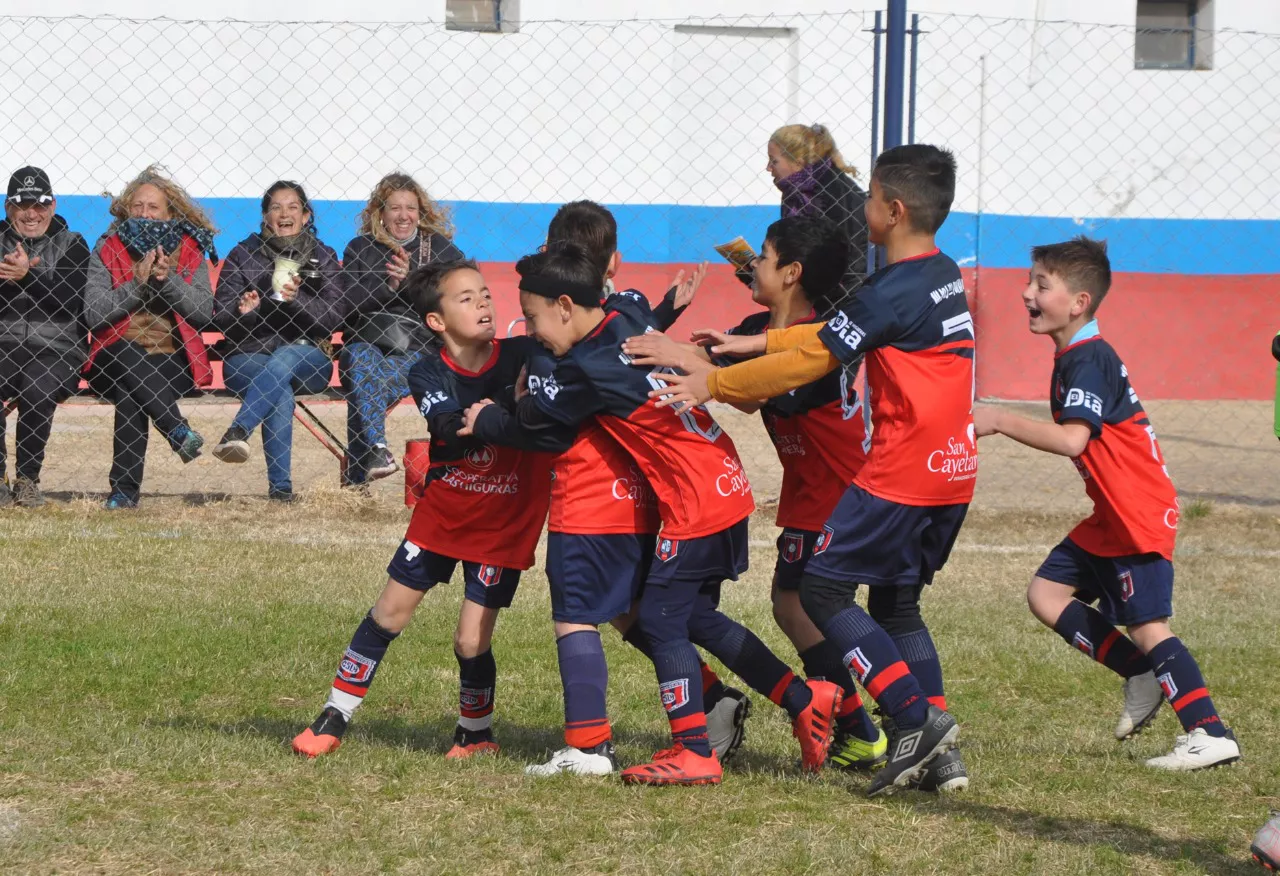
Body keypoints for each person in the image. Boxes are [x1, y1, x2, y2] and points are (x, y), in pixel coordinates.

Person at [625, 144, 971, 796]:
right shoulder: (937, 272)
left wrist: (714, 381)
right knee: (888, 608)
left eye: (867, 196)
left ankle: (902, 722)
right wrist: (740, 345)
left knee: (816, 596)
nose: (858, 205)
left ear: (893, 210)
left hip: (872, 482)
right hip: (940, 471)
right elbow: (807, 338)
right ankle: (931, 750)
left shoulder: (887, 291)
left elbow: (801, 368)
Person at [461, 243, 843, 787]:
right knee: (694, 619)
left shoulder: (585, 367)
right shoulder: (626, 315)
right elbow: (638, 314)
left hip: (695, 502)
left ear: (566, 306)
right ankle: (805, 698)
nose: (533, 330)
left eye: (534, 317)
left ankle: (694, 749)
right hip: (724, 482)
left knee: (661, 621)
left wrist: (488, 419)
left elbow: (542, 427)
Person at [629, 215, 896, 775]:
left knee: (801, 608)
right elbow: (733, 371)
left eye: (766, 258)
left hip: (840, 492)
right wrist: (683, 348)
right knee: (795, 606)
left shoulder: (823, 339)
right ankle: (855, 722)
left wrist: (685, 356)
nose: (752, 266)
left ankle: (864, 725)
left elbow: (761, 393)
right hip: (810, 489)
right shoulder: (758, 323)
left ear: (793, 273)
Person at [973, 236, 1241, 771]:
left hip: (1136, 511)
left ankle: (1208, 731)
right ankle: (1139, 673)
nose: (1026, 293)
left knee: (1148, 625)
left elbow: (1074, 438)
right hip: (1112, 512)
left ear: (1079, 303)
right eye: (1030, 281)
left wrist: (999, 419)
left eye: (1041, 285)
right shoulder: (1076, 355)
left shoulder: (1090, 359)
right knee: (1047, 593)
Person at [512, 201, 749, 777]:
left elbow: (546, 421)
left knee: (580, 611)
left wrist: (504, 410)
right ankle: (725, 699)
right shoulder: (630, 310)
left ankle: (590, 746)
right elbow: (636, 333)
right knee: (637, 613)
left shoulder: (572, 355)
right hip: (654, 499)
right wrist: (670, 314)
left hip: (593, 500)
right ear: (613, 264)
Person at [292, 259, 551, 760]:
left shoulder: (523, 354)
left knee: (469, 641)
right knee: (388, 614)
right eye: (465, 297)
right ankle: (333, 715)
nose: (482, 303)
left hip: (506, 519)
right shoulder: (427, 370)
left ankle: (475, 734)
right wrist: (506, 412)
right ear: (436, 321)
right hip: (445, 511)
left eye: (484, 294)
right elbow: (451, 424)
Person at [84, 165, 217, 510]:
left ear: (170, 213)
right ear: (126, 209)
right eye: (137, 206)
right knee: (128, 353)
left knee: (134, 390)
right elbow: (94, 313)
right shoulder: (107, 247)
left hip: (171, 359)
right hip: (110, 356)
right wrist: (137, 285)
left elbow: (203, 312)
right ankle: (176, 429)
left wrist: (168, 281)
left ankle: (124, 494)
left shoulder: (189, 250)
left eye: (153, 207)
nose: (144, 214)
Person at [210, 181, 344, 502]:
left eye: (293, 207)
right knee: (278, 389)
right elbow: (221, 317)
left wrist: (297, 300)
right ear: (265, 217)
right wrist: (245, 312)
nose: (285, 214)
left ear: (306, 216)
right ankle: (281, 491)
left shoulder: (323, 256)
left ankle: (239, 430)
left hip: (309, 359)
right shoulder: (243, 254)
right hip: (248, 356)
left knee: (285, 356)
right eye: (276, 208)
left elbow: (335, 316)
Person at [339, 173, 464, 486]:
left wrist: (410, 281)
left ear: (420, 213)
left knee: (364, 384)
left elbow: (458, 298)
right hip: (367, 343)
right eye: (394, 208)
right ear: (380, 213)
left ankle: (362, 471)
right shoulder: (360, 248)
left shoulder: (442, 250)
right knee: (358, 358)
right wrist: (388, 287)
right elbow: (346, 302)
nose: (403, 216)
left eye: (410, 208)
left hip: (419, 349)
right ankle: (378, 449)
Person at [0, 167, 90, 508]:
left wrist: (26, 277)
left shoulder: (73, 243)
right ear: (9, 209)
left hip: (57, 347)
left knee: (38, 386)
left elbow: (69, 300)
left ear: (52, 206)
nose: (31, 213)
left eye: (39, 204)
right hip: (3, 343)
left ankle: (27, 479)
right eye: (22, 204)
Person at [763, 123, 869, 294]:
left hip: (842, 295)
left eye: (774, 160)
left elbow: (851, 259)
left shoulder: (835, 193)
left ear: (797, 163)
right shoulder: (796, 191)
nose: (768, 168)